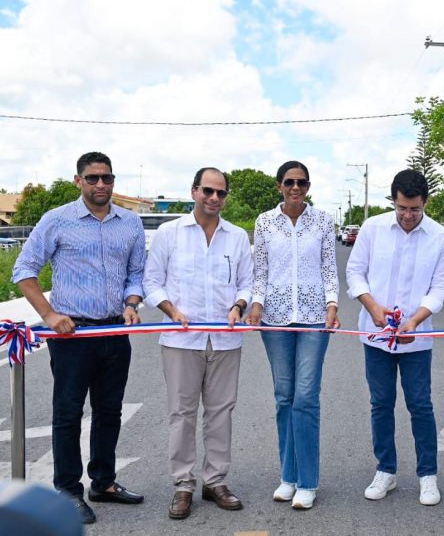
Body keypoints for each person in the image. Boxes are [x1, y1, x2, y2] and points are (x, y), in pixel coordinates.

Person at [12, 152, 145, 525]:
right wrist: (50, 315)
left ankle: (103, 482)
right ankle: (68, 491)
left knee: (109, 411)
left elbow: (136, 274)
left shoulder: (130, 223)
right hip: (73, 335)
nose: (100, 184)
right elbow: (24, 270)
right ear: (78, 180)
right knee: (68, 415)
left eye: (106, 178)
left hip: (116, 330)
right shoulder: (57, 221)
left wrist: (132, 302)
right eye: (92, 178)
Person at [143, 167, 253, 520]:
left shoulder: (236, 237)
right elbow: (152, 282)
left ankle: (215, 480)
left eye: (221, 193)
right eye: (208, 191)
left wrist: (239, 306)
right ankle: (183, 485)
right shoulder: (169, 233)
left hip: (225, 340)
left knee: (221, 413)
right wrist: (170, 309)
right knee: (182, 413)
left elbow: (246, 285)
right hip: (181, 339)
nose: (214, 198)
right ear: (194, 191)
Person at [346, 169, 444, 506]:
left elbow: (440, 287)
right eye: (402, 208)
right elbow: (355, 272)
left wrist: (416, 320)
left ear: (425, 203)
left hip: (416, 340)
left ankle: (428, 475)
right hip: (376, 336)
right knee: (381, 404)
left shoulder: (440, 238)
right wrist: (373, 307)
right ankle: (386, 470)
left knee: (420, 405)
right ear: (393, 201)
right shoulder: (373, 228)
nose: (408, 216)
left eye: (415, 210)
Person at [245, 161, 339, 510]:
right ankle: (288, 476)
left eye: (301, 182)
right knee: (284, 396)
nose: (295, 187)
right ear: (279, 186)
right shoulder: (265, 222)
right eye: (289, 182)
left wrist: (332, 304)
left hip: (314, 318)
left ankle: (308, 482)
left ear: (308, 186)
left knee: (305, 397)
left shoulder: (323, 221)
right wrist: (256, 305)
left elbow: (330, 267)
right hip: (274, 318)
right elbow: (260, 271)